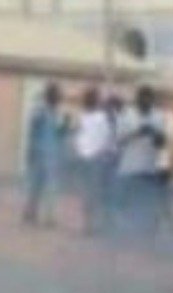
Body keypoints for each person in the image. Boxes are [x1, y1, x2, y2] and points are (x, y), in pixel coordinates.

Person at [114, 85, 169, 240]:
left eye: (149, 99)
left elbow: (162, 144)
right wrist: (137, 133)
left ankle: (145, 239)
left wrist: (154, 133)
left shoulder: (158, 117)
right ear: (137, 99)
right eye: (143, 99)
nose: (146, 102)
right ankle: (126, 237)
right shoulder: (126, 115)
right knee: (126, 205)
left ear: (152, 100)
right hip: (129, 168)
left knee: (146, 206)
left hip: (149, 169)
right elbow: (119, 141)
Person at [22, 82, 69, 227]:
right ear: (50, 96)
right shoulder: (40, 110)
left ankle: (49, 218)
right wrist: (30, 150)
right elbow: (33, 130)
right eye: (56, 96)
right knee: (35, 186)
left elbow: (58, 133)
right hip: (39, 153)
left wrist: (65, 126)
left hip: (52, 155)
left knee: (51, 186)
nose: (58, 99)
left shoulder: (55, 112)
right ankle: (30, 213)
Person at [72, 87, 113, 235]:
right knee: (85, 193)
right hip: (84, 159)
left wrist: (103, 154)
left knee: (94, 193)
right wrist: (78, 152)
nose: (88, 101)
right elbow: (77, 136)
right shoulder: (82, 117)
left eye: (91, 98)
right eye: (87, 98)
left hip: (96, 160)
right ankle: (87, 224)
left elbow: (106, 138)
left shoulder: (101, 118)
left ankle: (93, 224)